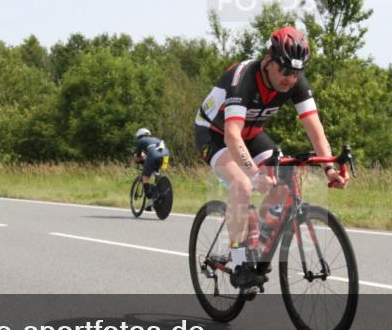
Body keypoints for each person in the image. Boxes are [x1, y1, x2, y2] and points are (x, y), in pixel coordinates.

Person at [193, 26, 347, 290]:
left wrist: (329, 169)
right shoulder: (244, 78)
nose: (290, 78)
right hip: (214, 134)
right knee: (242, 184)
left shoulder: (296, 82)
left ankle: (258, 239)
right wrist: (252, 173)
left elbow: (314, 128)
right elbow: (232, 135)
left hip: (252, 134)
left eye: (296, 71)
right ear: (268, 61)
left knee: (284, 182)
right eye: (285, 70)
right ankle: (240, 262)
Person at [133, 128, 169, 199]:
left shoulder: (141, 141)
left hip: (153, 156)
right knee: (156, 171)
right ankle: (159, 186)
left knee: (146, 176)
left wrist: (137, 160)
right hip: (165, 156)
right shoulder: (155, 140)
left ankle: (149, 195)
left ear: (139, 136)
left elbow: (138, 156)